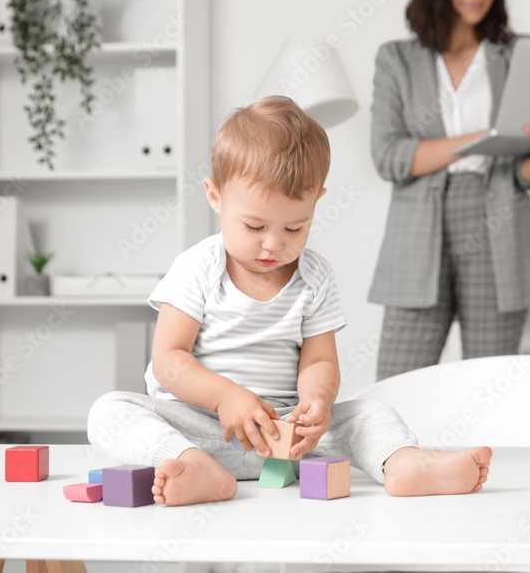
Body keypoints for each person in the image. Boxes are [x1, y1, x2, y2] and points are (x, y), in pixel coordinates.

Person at [87, 96, 491, 506]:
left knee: (370, 414)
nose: (274, 244)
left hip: (286, 436)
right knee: (109, 410)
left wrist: (316, 404)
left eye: (296, 227)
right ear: (215, 196)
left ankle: (403, 463)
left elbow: (318, 361)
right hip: (199, 427)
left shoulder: (314, 277)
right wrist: (226, 397)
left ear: (317, 201)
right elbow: (169, 361)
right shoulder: (197, 267)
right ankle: (192, 466)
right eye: (254, 225)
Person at [369, 0, 530, 380]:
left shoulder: (517, 55)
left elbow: (524, 172)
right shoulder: (397, 59)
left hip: (498, 223)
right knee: (397, 387)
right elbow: (389, 155)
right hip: (419, 231)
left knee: (487, 386)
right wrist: (482, 138)